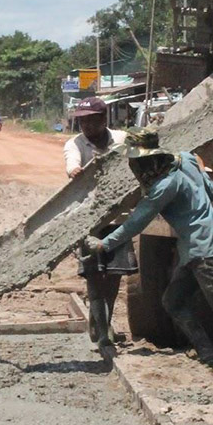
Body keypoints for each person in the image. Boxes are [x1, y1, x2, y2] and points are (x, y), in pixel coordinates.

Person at [86, 130, 213, 381]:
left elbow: (136, 223)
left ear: (146, 161)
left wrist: (103, 245)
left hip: (200, 250)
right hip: (202, 245)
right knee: (173, 301)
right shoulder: (187, 159)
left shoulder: (165, 186)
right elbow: (212, 193)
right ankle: (208, 356)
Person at [64, 97, 135, 344]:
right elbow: (71, 162)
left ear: (104, 119)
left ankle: (103, 323)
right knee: (94, 276)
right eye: (82, 122)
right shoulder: (75, 144)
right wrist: (74, 170)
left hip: (119, 219)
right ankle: (103, 333)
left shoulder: (122, 139)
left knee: (114, 276)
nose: (86, 126)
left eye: (91, 121)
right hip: (90, 222)